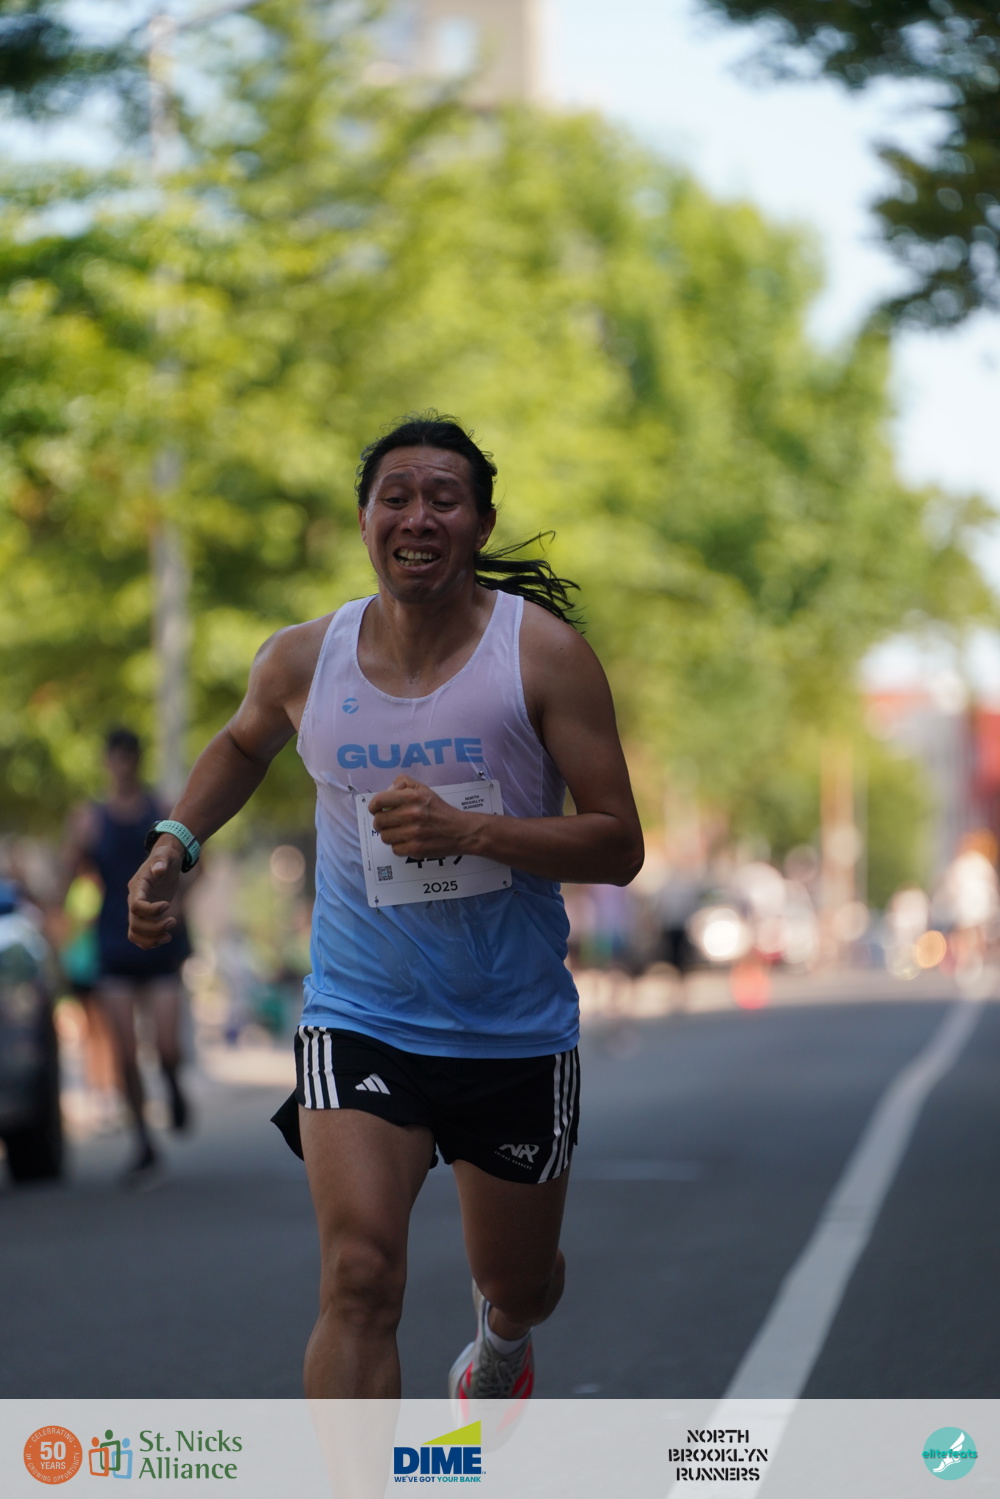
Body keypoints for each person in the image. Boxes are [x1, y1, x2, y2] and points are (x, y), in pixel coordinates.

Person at [127, 415, 643, 1397]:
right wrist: (174, 844)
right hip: (362, 1013)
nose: (418, 516)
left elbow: (619, 842)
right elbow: (241, 742)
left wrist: (472, 830)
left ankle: (503, 1335)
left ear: (481, 524)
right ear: (364, 520)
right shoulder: (302, 660)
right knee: (360, 1275)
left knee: (522, 1280)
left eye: (444, 498)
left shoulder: (543, 657)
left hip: (511, 1026)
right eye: (394, 497)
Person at [63, 728, 193, 1186]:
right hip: (115, 942)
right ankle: (143, 1141)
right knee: (123, 1051)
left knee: (167, 1046)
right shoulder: (90, 819)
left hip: (162, 938)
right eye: (116, 758)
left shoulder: (162, 811)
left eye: (129, 758)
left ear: (137, 761)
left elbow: (197, 860)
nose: (122, 766)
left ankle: (173, 1082)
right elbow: (68, 875)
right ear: (107, 762)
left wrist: (180, 899)